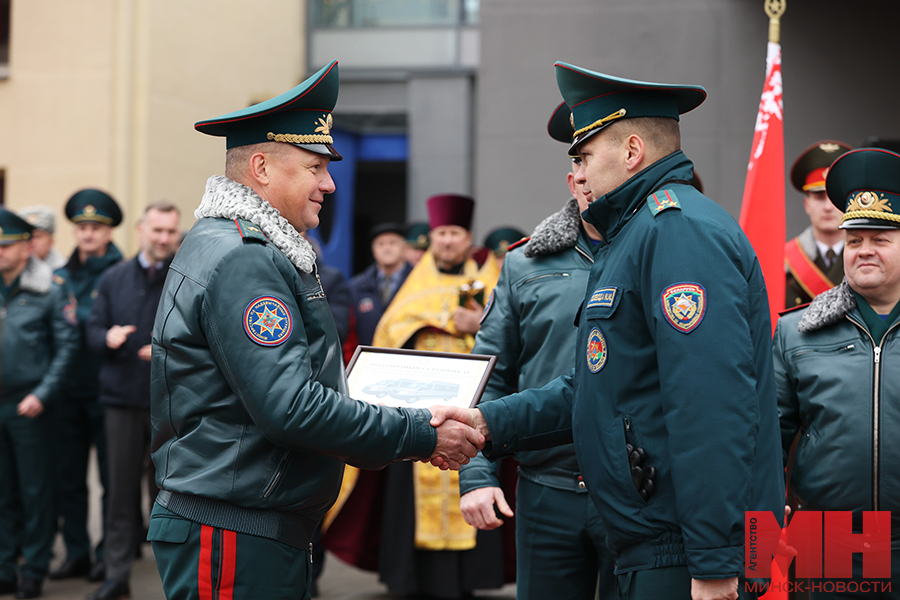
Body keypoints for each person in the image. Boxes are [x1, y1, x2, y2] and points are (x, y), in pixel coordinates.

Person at [432, 62, 785, 600]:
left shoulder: (677, 230)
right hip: (652, 538)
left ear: (632, 152)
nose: (578, 174)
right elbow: (592, 385)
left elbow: (710, 405)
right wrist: (485, 421)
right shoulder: (634, 234)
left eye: (585, 156)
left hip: (683, 548)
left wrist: (714, 562)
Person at [147, 60, 483, 600]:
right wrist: (419, 432)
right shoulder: (245, 257)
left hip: (244, 519)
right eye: (313, 166)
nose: (329, 183)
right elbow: (291, 408)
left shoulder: (232, 242)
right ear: (260, 167)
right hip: (235, 530)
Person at [459, 102, 616, 600]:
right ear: (572, 182)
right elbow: (489, 375)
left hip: (637, 490)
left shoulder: (659, 255)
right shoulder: (526, 263)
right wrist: (477, 475)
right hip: (548, 489)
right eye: (581, 171)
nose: (590, 184)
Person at [775, 147, 900, 598]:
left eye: (880, 238)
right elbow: (762, 446)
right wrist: (753, 557)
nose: (864, 250)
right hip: (827, 539)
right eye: (854, 240)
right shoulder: (795, 333)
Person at [368, 194, 505, 599]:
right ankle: (411, 581)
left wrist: (477, 323)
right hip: (418, 410)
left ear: (468, 238)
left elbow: (508, 338)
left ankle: (465, 582)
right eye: (441, 233)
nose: (447, 241)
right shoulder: (416, 284)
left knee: (473, 476)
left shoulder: (487, 283)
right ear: (432, 238)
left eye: (455, 233)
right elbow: (389, 334)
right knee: (411, 496)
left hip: (470, 408)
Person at [83, 202, 181, 600]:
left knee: (170, 496)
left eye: (170, 232)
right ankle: (116, 576)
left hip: (171, 404)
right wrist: (107, 338)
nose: (163, 239)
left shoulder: (185, 276)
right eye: (156, 230)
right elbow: (91, 329)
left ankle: (175, 581)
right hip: (121, 400)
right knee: (120, 494)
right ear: (141, 229)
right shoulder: (114, 277)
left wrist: (165, 351)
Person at [0, 209, 79, 599]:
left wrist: (42, 394)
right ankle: (4, 566)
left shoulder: (50, 286)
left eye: (6, 245)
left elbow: (67, 347)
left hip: (30, 405)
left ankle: (33, 568)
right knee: (3, 491)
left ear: (27, 247)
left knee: (35, 491)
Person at [49, 189, 124, 584]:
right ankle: (75, 552)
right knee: (68, 478)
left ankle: (106, 556)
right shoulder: (61, 274)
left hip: (105, 390)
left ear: (109, 231)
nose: (88, 234)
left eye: (96, 227)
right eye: (82, 228)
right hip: (66, 391)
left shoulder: (120, 274)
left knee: (112, 481)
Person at [785, 141, 853, 307]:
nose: (828, 207)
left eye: (834, 197)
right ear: (806, 204)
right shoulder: (785, 264)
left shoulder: (869, 259)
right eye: (819, 196)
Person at [349, 222, 413, 347]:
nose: (387, 248)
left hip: (408, 361)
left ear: (404, 248)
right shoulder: (356, 287)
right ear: (373, 250)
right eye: (381, 244)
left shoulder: (419, 283)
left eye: (393, 243)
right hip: (369, 359)